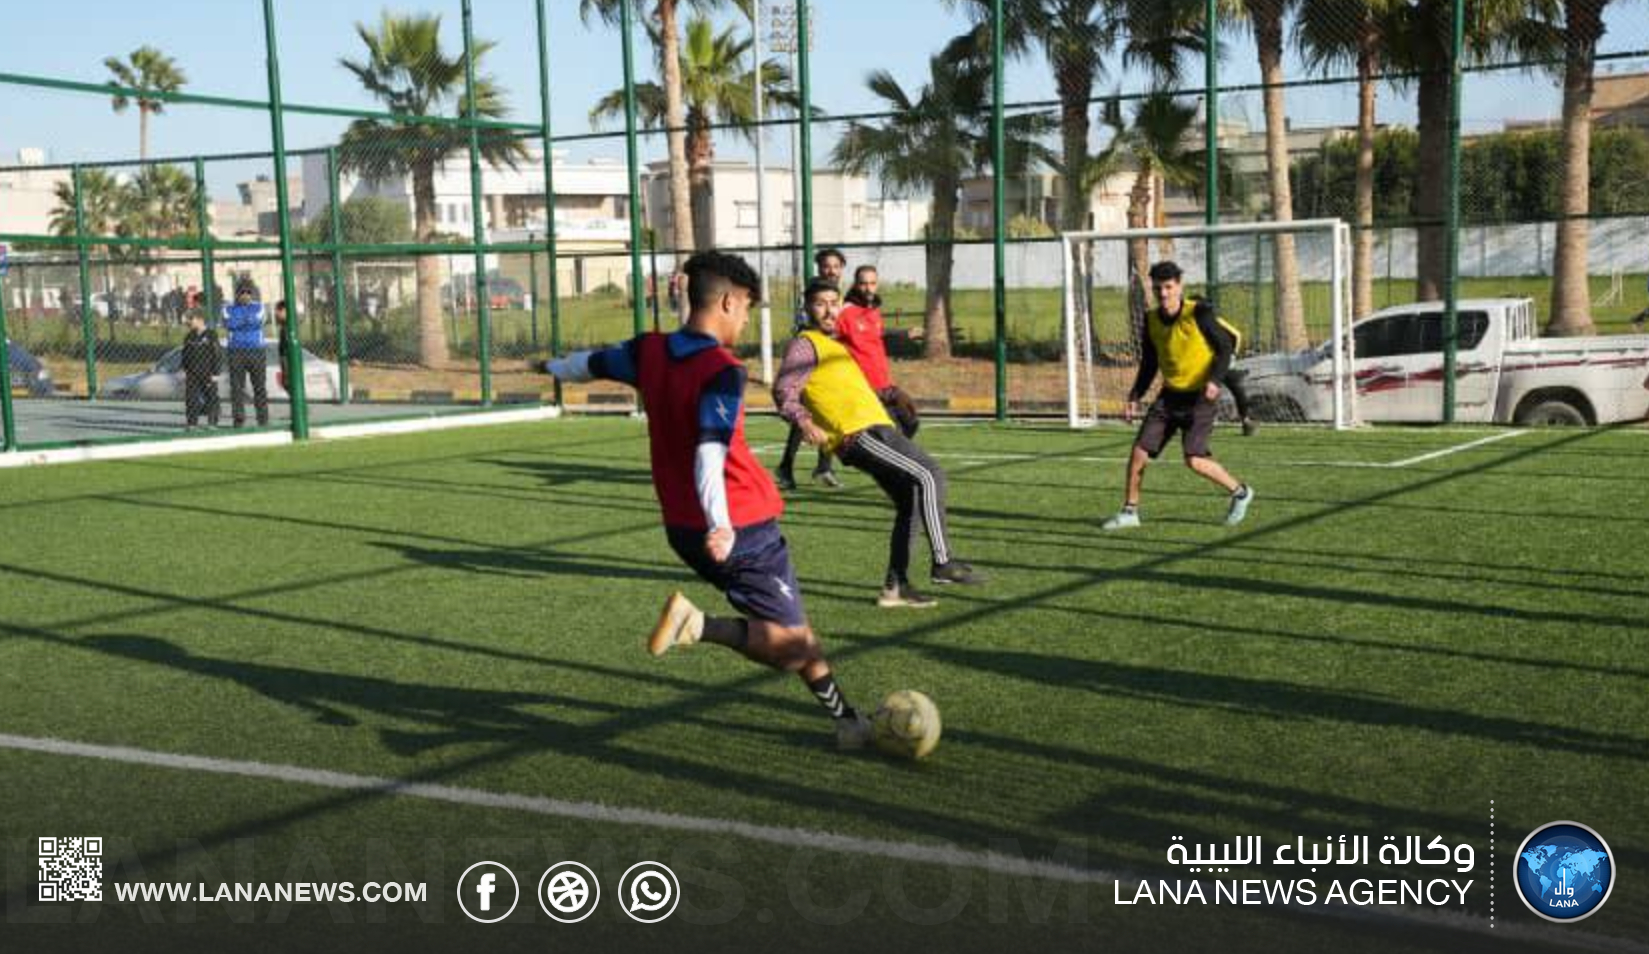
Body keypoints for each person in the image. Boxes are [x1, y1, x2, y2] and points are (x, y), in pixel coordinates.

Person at [543, 250, 873, 750]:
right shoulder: (721, 368)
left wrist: (551, 365)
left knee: (794, 634)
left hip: (682, 529)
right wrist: (721, 524)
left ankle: (849, 720)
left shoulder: (649, 349)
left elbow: (588, 365)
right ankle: (698, 626)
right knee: (794, 644)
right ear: (725, 301)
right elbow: (709, 452)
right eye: (745, 309)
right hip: (741, 527)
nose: (743, 321)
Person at [776, 280, 985, 608]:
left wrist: (890, 394)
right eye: (820, 303)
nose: (829, 309)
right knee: (930, 475)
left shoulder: (836, 345)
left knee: (912, 499)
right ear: (808, 308)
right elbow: (784, 391)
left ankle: (896, 586)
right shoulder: (805, 344)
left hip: (875, 428)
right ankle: (943, 562)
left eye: (834, 302)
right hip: (859, 434)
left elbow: (851, 391)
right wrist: (803, 421)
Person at [1102, 260, 1255, 531]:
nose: (1163, 293)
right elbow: (1149, 364)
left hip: (1200, 399)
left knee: (1194, 459)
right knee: (1139, 451)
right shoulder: (1150, 321)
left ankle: (1240, 492)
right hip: (1169, 396)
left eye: (1169, 287)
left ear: (1179, 286)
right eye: (1158, 288)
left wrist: (1214, 381)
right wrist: (1134, 396)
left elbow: (1224, 350)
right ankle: (1129, 512)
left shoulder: (1199, 313)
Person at [775, 248, 848, 491]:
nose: (832, 270)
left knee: (826, 413)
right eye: (827, 266)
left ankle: (823, 466)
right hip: (811, 361)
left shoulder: (840, 295)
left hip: (831, 359)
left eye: (836, 266)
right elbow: (804, 328)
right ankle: (787, 467)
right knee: (804, 415)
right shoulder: (812, 294)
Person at [837, 264, 920, 437]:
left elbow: (878, 333)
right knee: (891, 434)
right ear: (856, 284)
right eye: (863, 283)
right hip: (865, 387)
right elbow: (830, 339)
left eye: (872, 283)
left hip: (885, 385)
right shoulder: (845, 313)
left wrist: (904, 333)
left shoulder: (873, 311)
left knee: (911, 420)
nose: (868, 288)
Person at [222, 282, 270, 428]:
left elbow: (259, 321)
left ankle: (262, 418)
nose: (245, 295)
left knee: (259, 387)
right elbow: (228, 323)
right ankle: (238, 419)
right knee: (237, 388)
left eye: (248, 292)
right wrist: (247, 320)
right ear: (237, 294)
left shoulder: (259, 306)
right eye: (242, 292)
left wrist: (240, 322)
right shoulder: (228, 308)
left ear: (252, 294)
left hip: (256, 350)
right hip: (236, 351)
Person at [180, 312, 222, 430]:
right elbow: (185, 354)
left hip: (207, 372)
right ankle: (192, 423)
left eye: (191, 319)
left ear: (200, 320)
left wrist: (215, 373)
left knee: (211, 397)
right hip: (192, 373)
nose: (189, 322)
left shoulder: (211, 335)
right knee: (191, 398)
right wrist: (184, 369)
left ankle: (212, 423)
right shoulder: (189, 336)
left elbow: (217, 354)